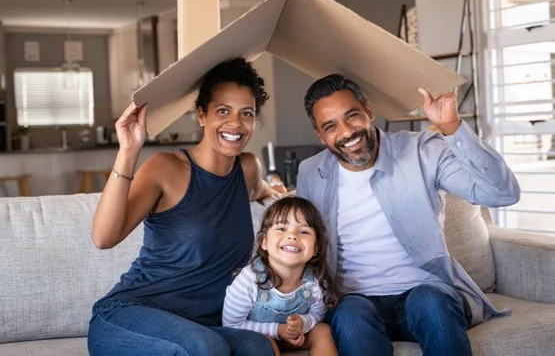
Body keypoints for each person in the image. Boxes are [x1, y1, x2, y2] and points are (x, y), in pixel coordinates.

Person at [295, 74, 520, 356]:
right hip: (355, 302)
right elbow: (302, 244)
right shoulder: (310, 173)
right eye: (331, 126)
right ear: (319, 134)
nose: (346, 132)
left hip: (425, 292)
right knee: (349, 314)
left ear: (368, 110)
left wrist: (452, 126)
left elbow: (503, 194)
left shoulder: (422, 150)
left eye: (352, 116)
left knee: (429, 301)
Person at [87, 57, 283, 356]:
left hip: (202, 324)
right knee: (207, 348)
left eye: (246, 113)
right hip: (132, 315)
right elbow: (103, 238)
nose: (235, 123)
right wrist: (128, 151)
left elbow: (260, 190)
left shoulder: (247, 168)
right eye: (222, 111)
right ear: (201, 115)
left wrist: (280, 194)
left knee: (259, 348)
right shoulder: (166, 168)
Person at [222, 196, 340, 356]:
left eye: (304, 231)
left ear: (315, 248)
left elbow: (318, 314)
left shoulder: (315, 282)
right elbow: (232, 325)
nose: (292, 236)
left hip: (296, 337)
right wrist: (278, 330)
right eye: (281, 229)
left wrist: (303, 323)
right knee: (265, 343)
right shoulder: (249, 280)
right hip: (258, 339)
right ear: (264, 241)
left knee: (323, 330)